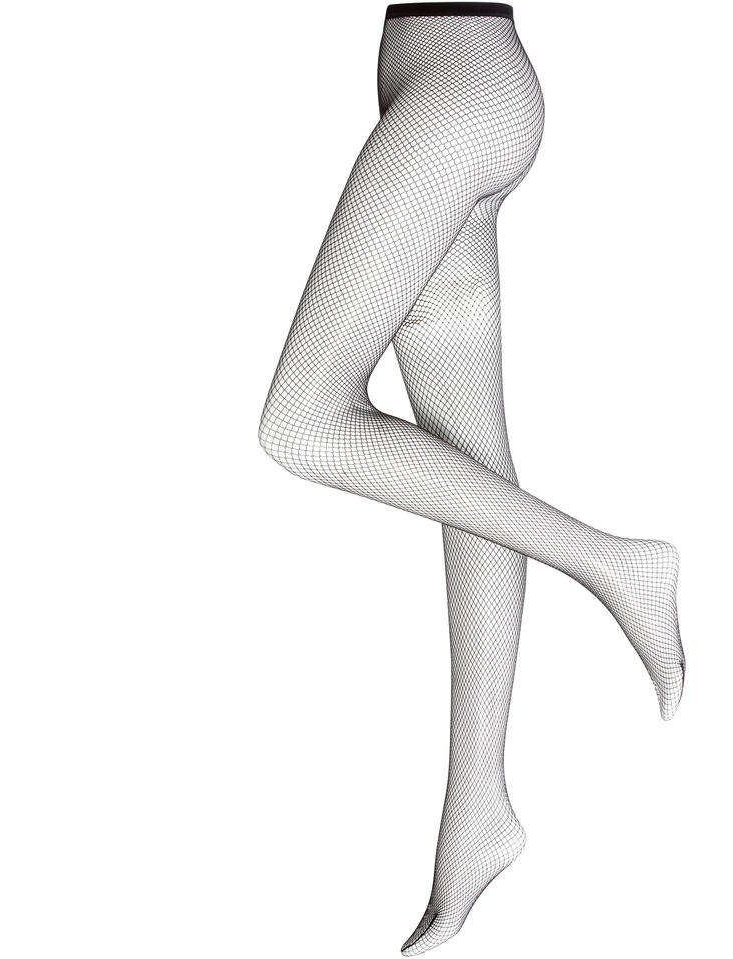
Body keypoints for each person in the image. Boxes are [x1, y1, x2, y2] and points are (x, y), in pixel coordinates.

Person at [258, 3, 685, 953]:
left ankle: (614, 563)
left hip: (457, 102)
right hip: (451, 88)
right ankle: (477, 809)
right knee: (470, 474)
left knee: (302, 424)